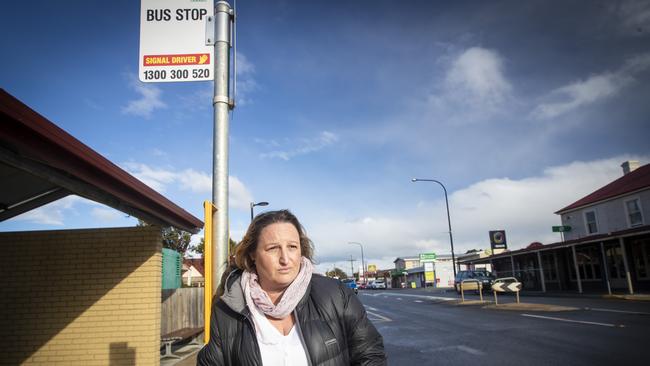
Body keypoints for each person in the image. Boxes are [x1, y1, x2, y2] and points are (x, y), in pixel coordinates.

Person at [197, 209, 387, 366]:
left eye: (292, 247)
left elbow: (370, 354)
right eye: (273, 248)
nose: (285, 259)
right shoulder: (228, 308)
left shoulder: (336, 295)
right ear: (253, 254)